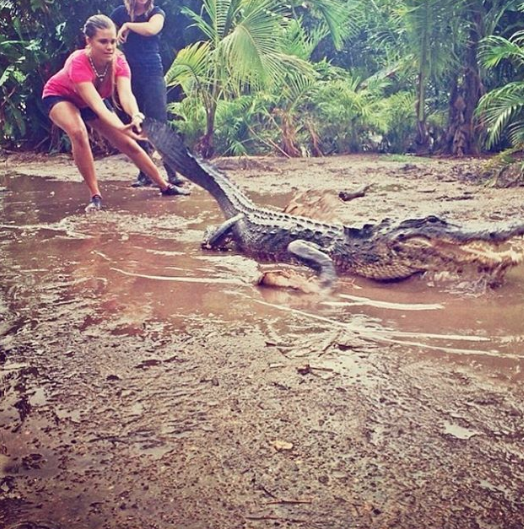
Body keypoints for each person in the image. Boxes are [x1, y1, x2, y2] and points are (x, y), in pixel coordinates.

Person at [41, 14, 189, 213]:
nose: (110, 47)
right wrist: (121, 126)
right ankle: (95, 195)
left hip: (90, 102)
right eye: (103, 41)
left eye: (112, 41)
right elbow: (96, 105)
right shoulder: (78, 61)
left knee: (128, 142)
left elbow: (126, 95)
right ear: (89, 41)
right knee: (78, 132)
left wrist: (135, 115)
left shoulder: (119, 61)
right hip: (60, 96)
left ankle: (165, 186)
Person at [110, 0, 184, 188]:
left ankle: (171, 172)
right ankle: (144, 172)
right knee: (136, 121)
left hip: (152, 72)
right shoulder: (119, 13)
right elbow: (107, 35)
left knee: (159, 121)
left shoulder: (156, 12)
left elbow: (152, 29)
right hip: (128, 72)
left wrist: (127, 26)